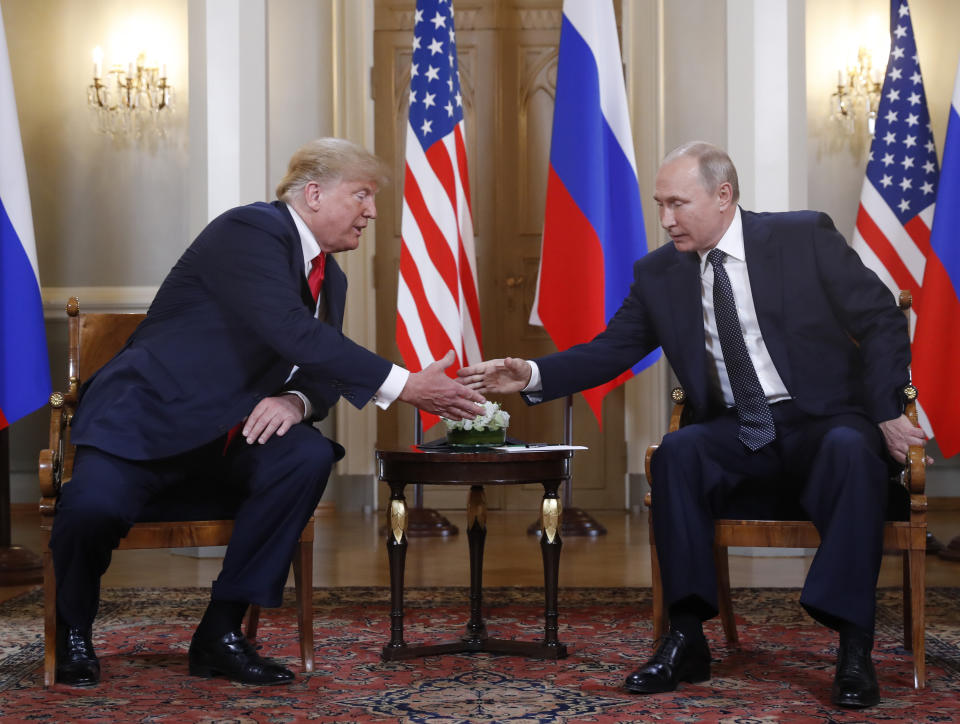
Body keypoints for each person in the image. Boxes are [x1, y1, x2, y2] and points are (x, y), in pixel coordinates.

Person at [458, 141, 924, 709]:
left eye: (677, 203)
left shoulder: (802, 237)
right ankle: (686, 636)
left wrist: (883, 411)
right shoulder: (659, 273)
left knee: (852, 450)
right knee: (677, 453)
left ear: (723, 195)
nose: (666, 220)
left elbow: (880, 320)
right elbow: (612, 350)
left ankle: (854, 647)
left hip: (821, 422)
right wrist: (530, 372)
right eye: (659, 205)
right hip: (737, 430)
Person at [50, 138, 485, 688]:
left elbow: (320, 365)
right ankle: (70, 633)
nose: (372, 211)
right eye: (362, 195)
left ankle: (221, 634)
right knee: (90, 507)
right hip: (147, 423)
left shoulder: (332, 278)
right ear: (314, 194)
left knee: (304, 454)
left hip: (229, 440)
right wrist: (406, 385)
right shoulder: (251, 230)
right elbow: (290, 330)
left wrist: (295, 400)